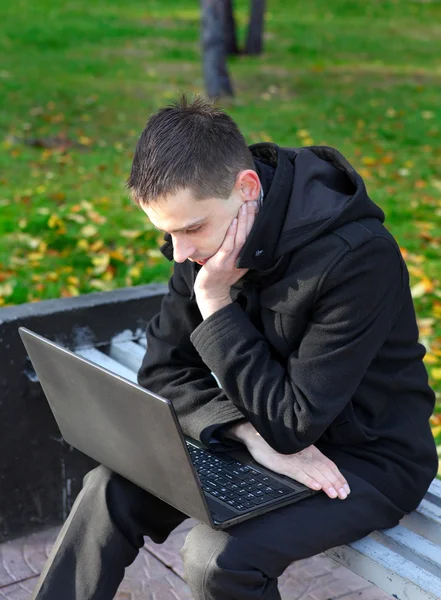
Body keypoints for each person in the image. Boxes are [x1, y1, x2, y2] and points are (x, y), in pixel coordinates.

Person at [32, 94, 438, 600]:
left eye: (191, 229)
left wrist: (216, 302)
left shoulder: (358, 259)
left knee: (217, 559)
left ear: (247, 188)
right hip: (260, 429)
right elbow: (162, 373)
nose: (180, 252)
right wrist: (244, 431)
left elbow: (293, 423)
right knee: (107, 491)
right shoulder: (207, 237)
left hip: (366, 462)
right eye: (167, 232)